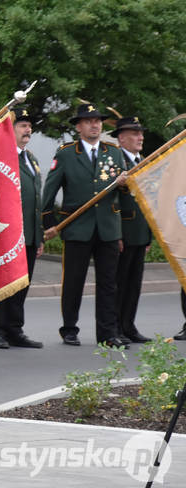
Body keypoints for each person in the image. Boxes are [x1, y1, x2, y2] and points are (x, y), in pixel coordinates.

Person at [42, 102, 128, 348]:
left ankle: (107, 333)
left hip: (107, 227)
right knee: (73, 281)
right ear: (79, 127)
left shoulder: (113, 152)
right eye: (89, 121)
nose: (95, 125)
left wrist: (124, 183)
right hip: (77, 226)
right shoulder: (67, 153)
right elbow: (50, 191)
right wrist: (49, 223)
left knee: (108, 283)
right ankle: (69, 328)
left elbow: (124, 191)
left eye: (98, 121)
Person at [0, 106, 44, 349]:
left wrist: (38, 236)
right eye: (22, 125)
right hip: (6, 233)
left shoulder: (32, 160)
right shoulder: (1, 156)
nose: (28, 129)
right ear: (10, 130)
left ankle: (14, 329)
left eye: (29, 126)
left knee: (21, 284)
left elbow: (36, 200)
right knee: (1, 282)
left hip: (28, 234)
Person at [112, 115, 151, 344]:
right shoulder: (116, 161)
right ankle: (115, 326)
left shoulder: (143, 161)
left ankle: (129, 325)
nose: (140, 137)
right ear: (121, 138)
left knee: (134, 283)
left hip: (140, 232)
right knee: (119, 282)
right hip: (123, 232)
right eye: (135, 134)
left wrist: (149, 236)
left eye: (141, 133)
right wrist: (116, 233)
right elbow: (112, 200)